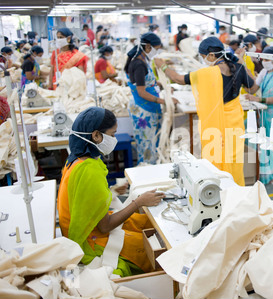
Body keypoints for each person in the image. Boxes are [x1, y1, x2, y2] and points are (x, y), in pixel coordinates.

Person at [57, 107, 165, 277]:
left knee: (143, 222)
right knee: (148, 250)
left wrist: (111, 192)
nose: (114, 139)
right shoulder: (89, 171)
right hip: (88, 242)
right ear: (96, 136)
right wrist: (139, 202)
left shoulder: (76, 161)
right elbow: (105, 226)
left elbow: (83, 199)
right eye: (112, 135)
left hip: (83, 229)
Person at [154, 37, 259, 186]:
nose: (203, 60)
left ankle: (216, 192)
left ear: (211, 55)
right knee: (234, 161)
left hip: (214, 126)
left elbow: (178, 79)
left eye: (203, 57)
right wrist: (242, 62)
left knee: (214, 159)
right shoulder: (238, 68)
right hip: (235, 124)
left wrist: (163, 66)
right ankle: (236, 191)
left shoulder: (205, 73)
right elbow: (253, 88)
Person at [125, 32, 177, 165]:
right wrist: (165, 101)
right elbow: (141, 92)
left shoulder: (142, 60)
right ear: (148, 47)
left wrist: (162, 85)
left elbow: (143, 82)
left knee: (151, 144)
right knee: (147, 147)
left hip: (145, 107)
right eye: (156, 48)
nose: (157, 52)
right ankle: (147, 175)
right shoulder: (139, 64)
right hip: (144, 110)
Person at [244, 46, 273, 184]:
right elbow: (254, 88)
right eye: (264, 59)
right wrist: (246, 73)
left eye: (267, 59)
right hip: (265, 111)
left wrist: (257, 99)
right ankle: (265, 173)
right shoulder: (264, 72)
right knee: (265, 144)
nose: (264, 61)